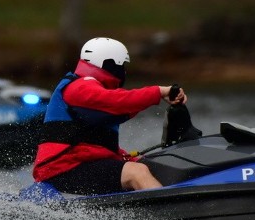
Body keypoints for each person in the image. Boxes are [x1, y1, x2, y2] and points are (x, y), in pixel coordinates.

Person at [32, 37, 187, 195]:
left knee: (149, 165)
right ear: (109, 63)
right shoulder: (79, 87)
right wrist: (159, 92)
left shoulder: (91, 93)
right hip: (61, 171)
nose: (123, 71)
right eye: (121, 65)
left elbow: (93, 143)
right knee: (136, 172)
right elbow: (119, 102)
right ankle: (173, 214)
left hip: (76, 166)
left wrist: (125, 157)